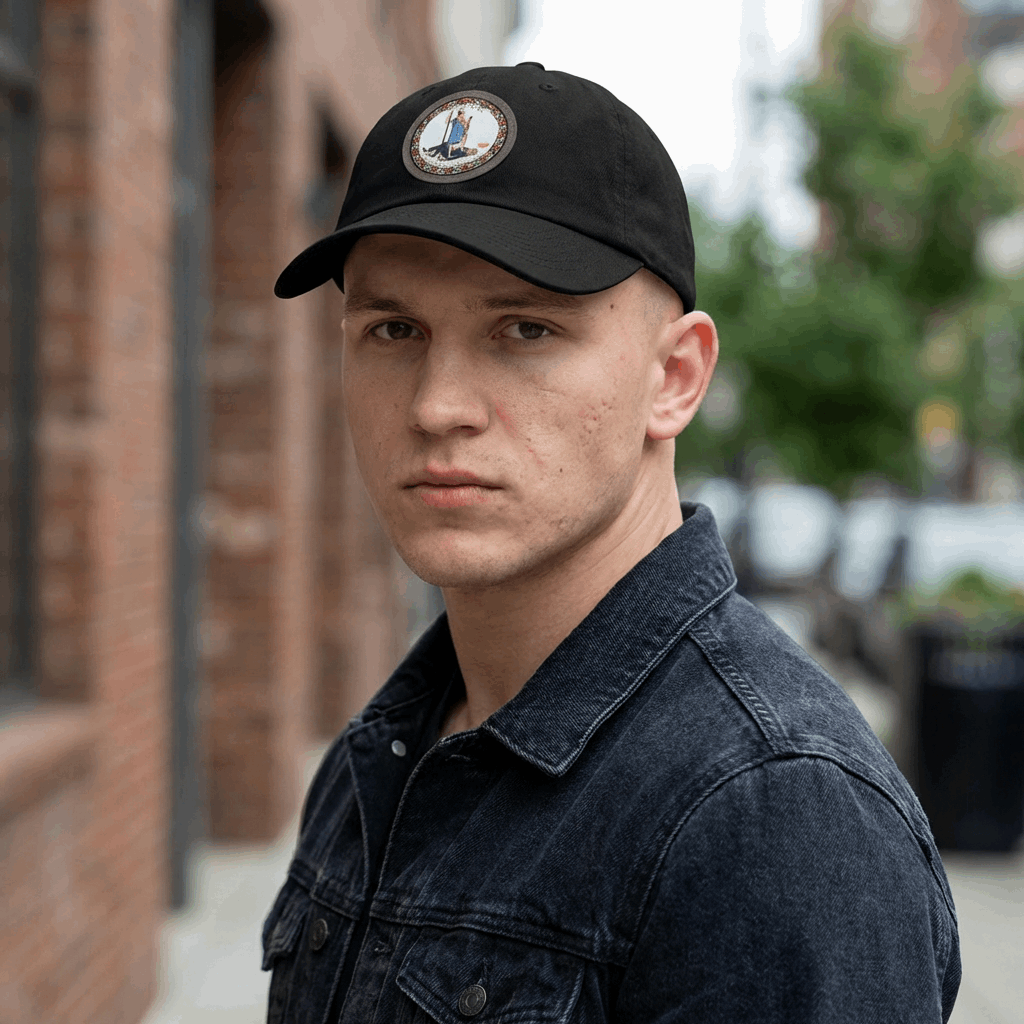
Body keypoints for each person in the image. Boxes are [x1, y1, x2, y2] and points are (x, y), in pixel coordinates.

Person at [265, 63, 961, 1024]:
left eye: (524, 328)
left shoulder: (771, 817)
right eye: (393, 329)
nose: (436, 406)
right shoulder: (385, 749)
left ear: (675, 377)